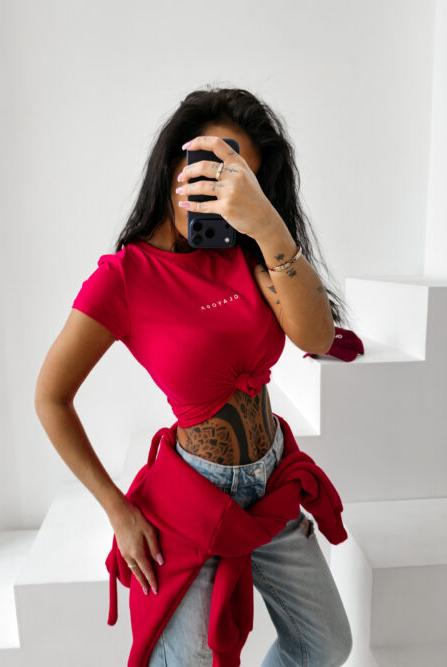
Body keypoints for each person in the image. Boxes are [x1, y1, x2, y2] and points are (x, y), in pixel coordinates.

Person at [35, 86, 353, 666]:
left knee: (327, 645)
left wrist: (267, 224)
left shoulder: (249, 250)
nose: (221, 193)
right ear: (173, 164)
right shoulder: (124, 278)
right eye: (213, 168)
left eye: (241, 181)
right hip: (195, 501)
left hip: (273, 483)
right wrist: (117, 511)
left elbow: (315, 338)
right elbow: (51, 398)